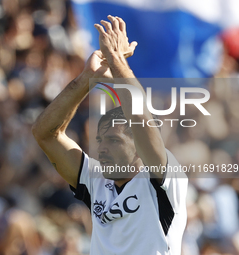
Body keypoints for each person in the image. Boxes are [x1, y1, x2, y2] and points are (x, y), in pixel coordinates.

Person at [32, 15, 188, 255]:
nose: (102, 148)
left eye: (113, 140)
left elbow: (140, 119)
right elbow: (45, 134)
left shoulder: (162, 180)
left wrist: (116, 60)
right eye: (100, 140)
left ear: (138, 146)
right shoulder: (97, 181)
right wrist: (86, 79)